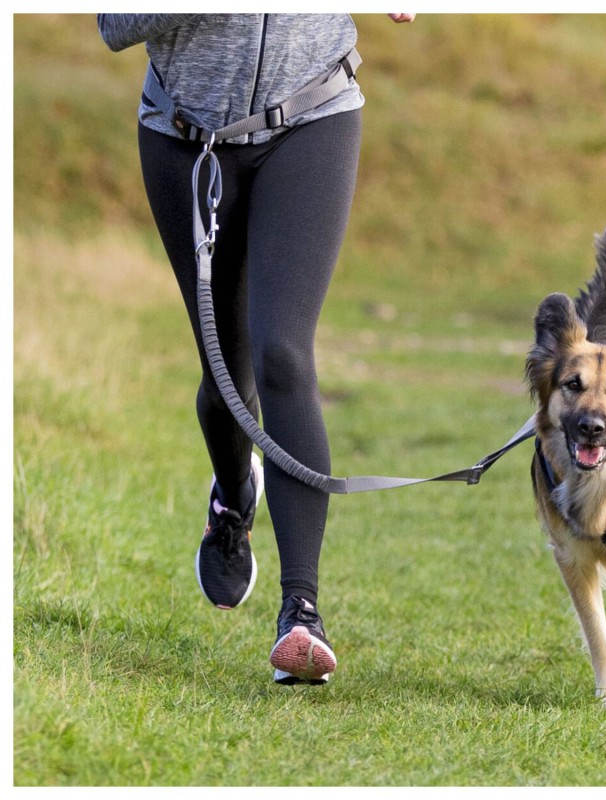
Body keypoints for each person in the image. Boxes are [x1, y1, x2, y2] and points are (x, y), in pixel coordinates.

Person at [97, 13, 415, 686]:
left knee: (284, 357)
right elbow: (114, 23)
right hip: (184, 138)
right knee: (226, 373)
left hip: (313, 113)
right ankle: (233, 499)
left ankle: (302, 613)